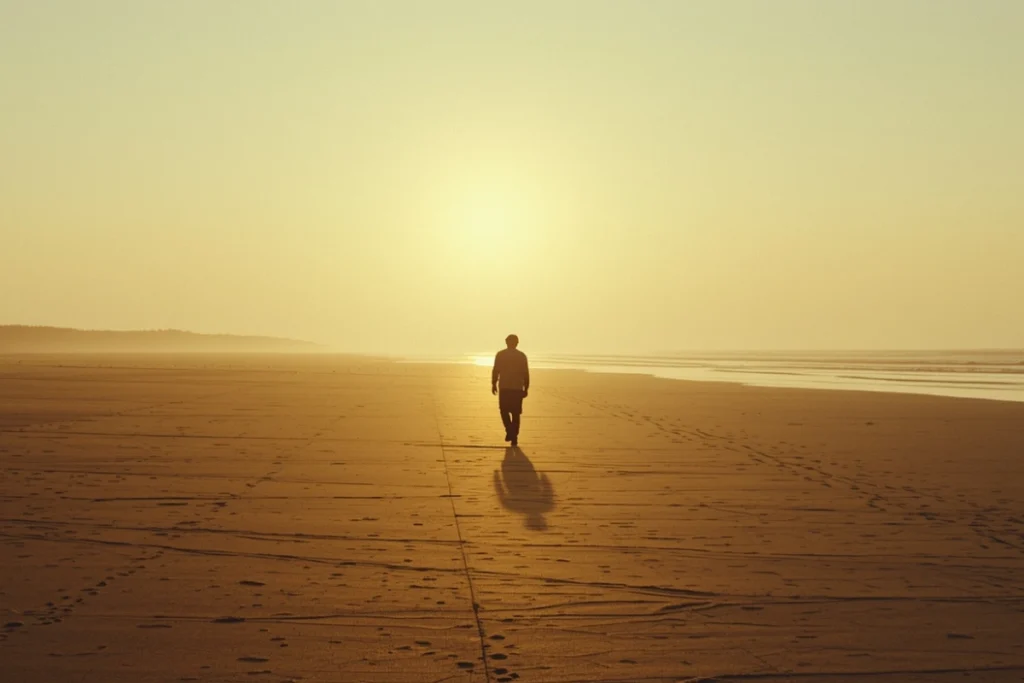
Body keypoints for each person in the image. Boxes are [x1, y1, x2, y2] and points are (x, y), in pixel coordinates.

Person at [491, 334, 529, 447]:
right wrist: (526, 387)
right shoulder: (521, 356)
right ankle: (513, 434)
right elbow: (526, 373)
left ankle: (510, 431)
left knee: (504, 411)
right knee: (515, 413)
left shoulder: (501, 355)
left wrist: (493, 383)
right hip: (516, 388)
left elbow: (495, 370)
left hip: (505, 387)